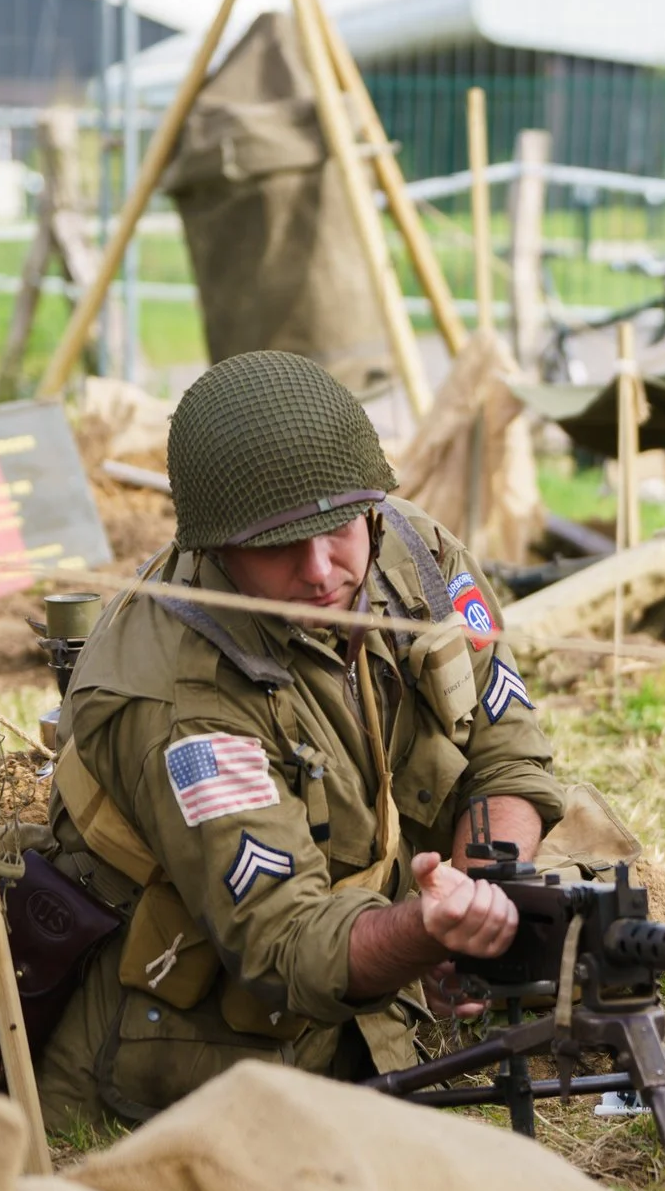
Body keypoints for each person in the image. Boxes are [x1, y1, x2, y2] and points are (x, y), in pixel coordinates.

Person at [29, 350, 563, 1128]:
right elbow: (283, 944)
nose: (321, 570)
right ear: (214, 548)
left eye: (338, 528)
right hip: (200, 1067)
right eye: (280, 543)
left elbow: (507, 747)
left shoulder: (414, 552)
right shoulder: (177, 694)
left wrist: (483, 894)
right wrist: (431, 928)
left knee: (580, 837)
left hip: (370, 958)